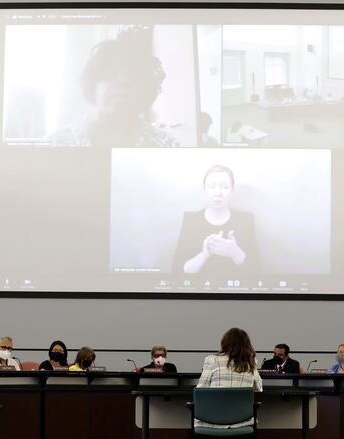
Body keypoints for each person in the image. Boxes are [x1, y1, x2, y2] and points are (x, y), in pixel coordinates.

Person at [48, 26, 177, 149]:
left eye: (134, 75)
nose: (123, 81)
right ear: (93, 86)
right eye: (112, 73)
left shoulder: (168, 145)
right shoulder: (55, 143)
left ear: (146, 91)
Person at [195, 327, 263, 439]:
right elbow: (259, 388)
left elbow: (201, 388)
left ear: (224, 343)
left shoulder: (211, 360)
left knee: (202, 418)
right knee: (217, 417)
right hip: (242, 421)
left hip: (214, 418)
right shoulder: (251, 362)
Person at [173, 165, 260, 276]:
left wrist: (235, 252)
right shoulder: (191, 220)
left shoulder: (245, 221)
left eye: (225, 187)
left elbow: (257, 271)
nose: (218, 193)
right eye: (212, 186)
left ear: (232, 190)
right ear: (204, 189)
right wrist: (204, 255)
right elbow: (177, 270)